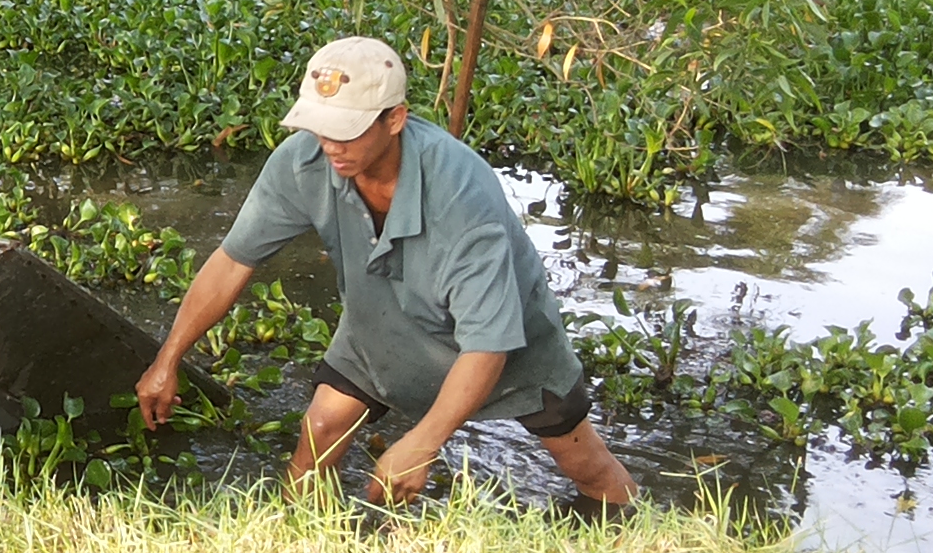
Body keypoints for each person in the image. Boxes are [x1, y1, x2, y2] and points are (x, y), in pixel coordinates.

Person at [134, 36, 636, 508]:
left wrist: (422, 442)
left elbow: (489, 344)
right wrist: (168, 358)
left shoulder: (462, 195)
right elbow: (232, 260)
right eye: (321, 127)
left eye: (347, 131)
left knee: (584, 466)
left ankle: (634, 539)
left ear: (395, 119)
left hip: (506, 348)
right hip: (380, 327)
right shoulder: (305, 161)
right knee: (320, 434)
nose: (331, 146)